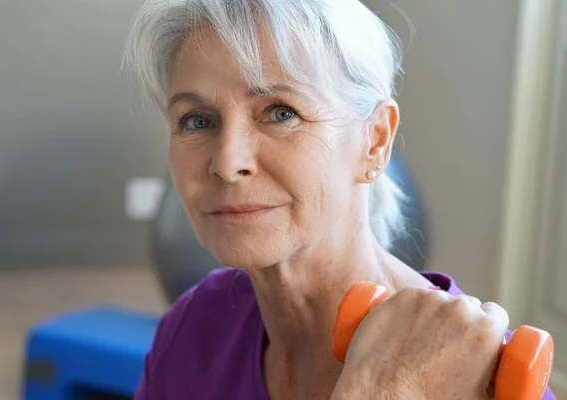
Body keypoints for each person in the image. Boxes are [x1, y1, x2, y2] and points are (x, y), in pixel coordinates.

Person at [124, 0, 556, 398]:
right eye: (197, 120)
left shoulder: (488, 378)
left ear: (376, 140)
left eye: (281, 112)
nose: (227, 161)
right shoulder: (195, 325)